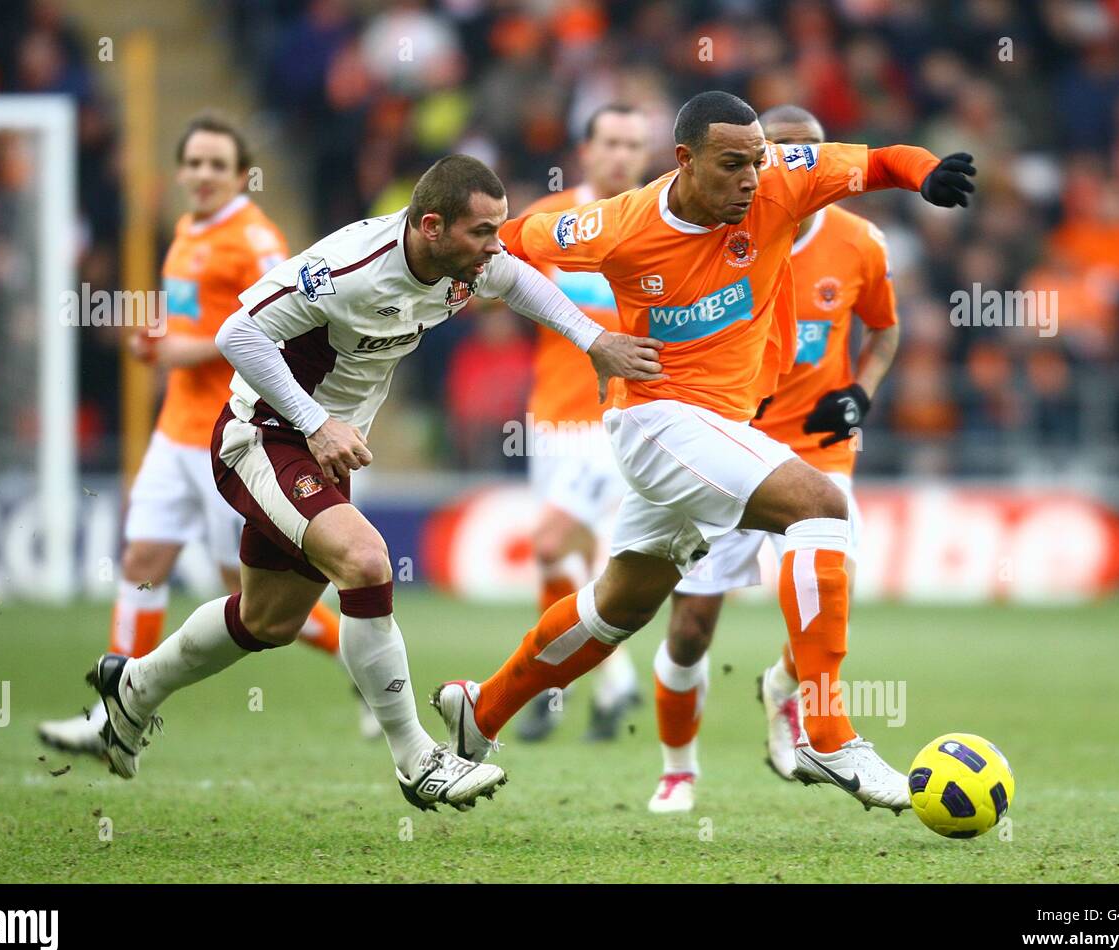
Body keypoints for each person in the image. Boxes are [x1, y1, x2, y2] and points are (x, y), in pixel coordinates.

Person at [433, 91, 975, 813]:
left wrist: (927, 173)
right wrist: (583, 334)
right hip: (655, 420)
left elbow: (878, 161)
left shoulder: (779, 180)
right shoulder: (620, 223)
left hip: (718, 430)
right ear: (684, 161)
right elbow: (513, 242)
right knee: (822, 507)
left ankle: (483, 708)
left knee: (616, 609)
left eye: (758, 162)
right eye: (732, 165)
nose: (751, 179)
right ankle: (826, 730)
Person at [83, 154, 664, 811]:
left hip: (323, 451)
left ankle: (132, 688)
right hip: (266, 435)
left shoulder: (464, 261)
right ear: (432, 226)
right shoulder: (349, 266)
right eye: (482, 233)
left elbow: (519, 280)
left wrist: (593, 341)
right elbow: (236, 331)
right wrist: (315, 421)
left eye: (498, 231)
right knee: (365, 563)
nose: (492, 248)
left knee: (267, 618)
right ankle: (418, 759)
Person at [39, 114, 347, 755]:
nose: (203, 175)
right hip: (171, 431)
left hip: (230, 436)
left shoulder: (257, 240)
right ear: (180, 171)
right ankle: (113, 715)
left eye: (217, 165)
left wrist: (185, 349)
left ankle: (361, 663)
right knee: (142, 564)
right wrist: (162, 342)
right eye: (194, 163)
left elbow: (284, 325)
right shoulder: (184, 231)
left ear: (241, 175)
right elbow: (197, 317)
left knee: (244, 594)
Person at [647, 106, 902, 813]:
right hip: (725, 442)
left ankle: (791, 692)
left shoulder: (861, 243)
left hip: (819, 450)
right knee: (692, 628)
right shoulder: (721, 232)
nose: (778, 174)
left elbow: (884, 330)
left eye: (802, 158)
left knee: (823, 605)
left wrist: (861, 392)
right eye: (766, 159)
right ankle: (678, 767)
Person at [515, 103, 653, 743]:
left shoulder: (657, 224)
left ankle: (576, 676)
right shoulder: (552, 226)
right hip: (549, 419)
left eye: (633, 144)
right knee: (567, 562)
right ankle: (577, 683)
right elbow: (497, 275)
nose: (622, 155)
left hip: (618, 424)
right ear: (587, 149)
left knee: (551, 543)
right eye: (611, 142)